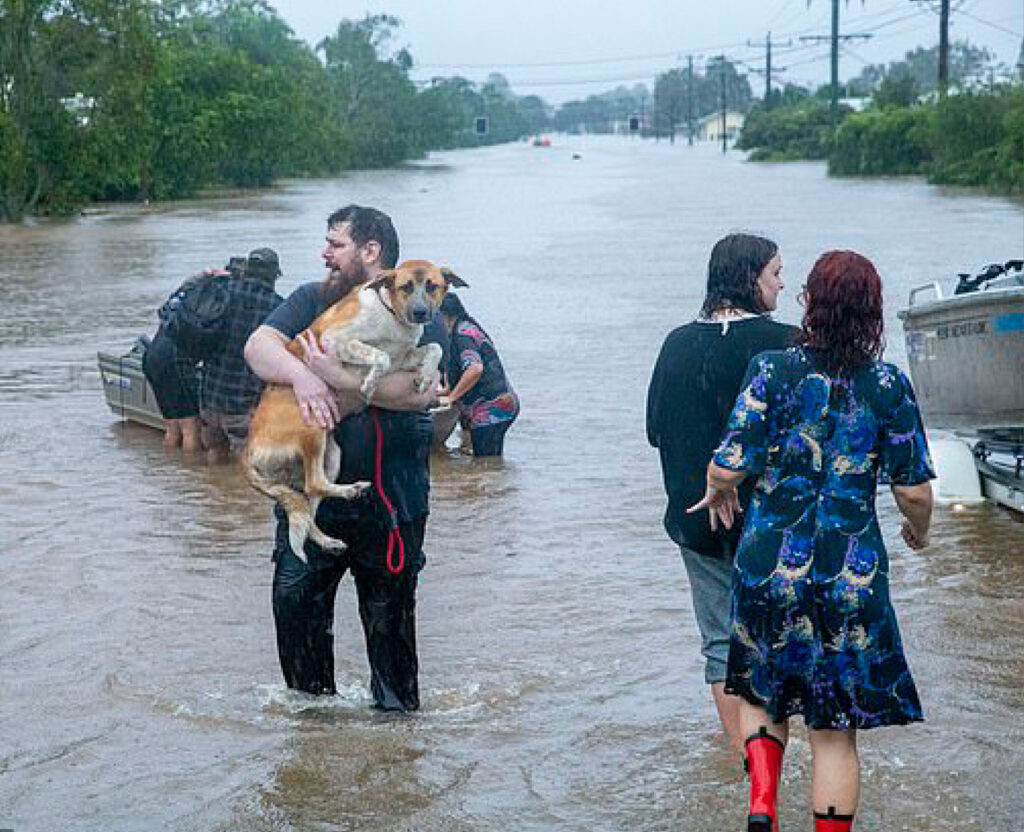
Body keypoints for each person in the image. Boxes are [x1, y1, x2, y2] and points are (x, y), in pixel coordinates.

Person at [689, 250, 935, 832]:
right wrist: (917, 533)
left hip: (770, 565)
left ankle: (762, 804)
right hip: (850, 572)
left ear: (810, 303)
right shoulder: (886, 384)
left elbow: (727, 465)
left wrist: (721, 490)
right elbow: (915, 491)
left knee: (761, 692)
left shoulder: (772, 369)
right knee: (833, 732)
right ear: (873, 312)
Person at [243, 205, 436, 711]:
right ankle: (314, 743)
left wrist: (341, 382)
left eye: (336, 244)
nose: (324, 254)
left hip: (394, 504)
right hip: (314, 499)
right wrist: (304, 375)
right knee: (296, 622)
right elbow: (258, 347)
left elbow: (419, 391)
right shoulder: (313, 298)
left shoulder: (418, 302)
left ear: (370, 252)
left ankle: (398, 753)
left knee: (392, 645)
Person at [646, 233, 797, 753]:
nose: (782, 282)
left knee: (719, 641)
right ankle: (776, 749)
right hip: (778, 525)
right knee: (779, 637)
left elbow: (654, 430)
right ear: (751, 277)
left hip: (696, 520)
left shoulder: (676, 344)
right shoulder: (789, 344)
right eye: (776, 273)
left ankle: (743, 756)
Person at [199, 248, 284, 464]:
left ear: (247, 270)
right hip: (244, 403)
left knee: (215, 453)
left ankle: (210, 494)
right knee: (247, 463)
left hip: (210, 396)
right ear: (274, 275)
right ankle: (239, 498)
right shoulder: (279, 308)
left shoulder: (223, 293)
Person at [437, 292, 520, 457]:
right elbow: (459, 372)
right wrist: (443, 393)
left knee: (485, 461)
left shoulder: (463, 335)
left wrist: (452, 398)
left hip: (491, 409)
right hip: (503, 403)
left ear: (442, 315)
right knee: (489, 465)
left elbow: (474, 368)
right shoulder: (465, 327)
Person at [143, 276, 206, 452]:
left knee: (172, 427)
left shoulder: (178, 299)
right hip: (174, 361)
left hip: (152, 357)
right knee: (190, 427)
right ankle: (189, 472)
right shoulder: (207, 302)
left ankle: (171, 468)